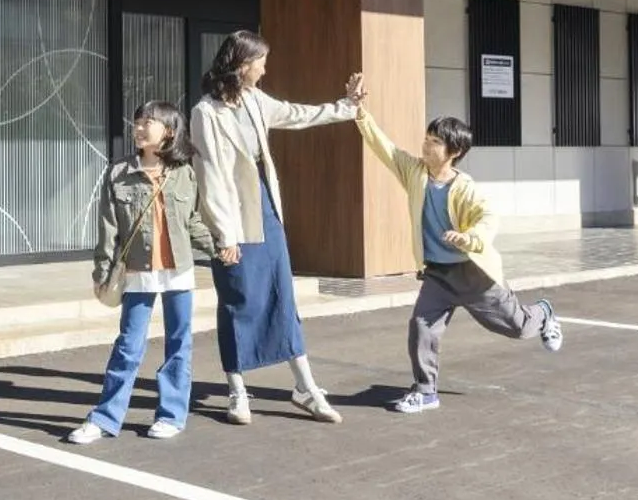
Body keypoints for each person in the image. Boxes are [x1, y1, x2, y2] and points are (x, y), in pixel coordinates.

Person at [190, 31, 364, 426]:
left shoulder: (255, 100)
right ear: (242, 64)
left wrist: (347, 106)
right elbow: (211, 176)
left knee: (281, 295)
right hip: (231, 219)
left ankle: (306, 387)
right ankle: (237, 391)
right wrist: (223, 235)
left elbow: (297, 114)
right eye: (261, 61)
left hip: (265, 209)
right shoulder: (206, 113)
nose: (266, 68)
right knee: (238, 300)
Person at [356, 109, 562, 414]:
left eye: (435, 142)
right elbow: (384, 147)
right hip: (438, 275)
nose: (426, 146)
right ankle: (425, 392)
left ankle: (543, 313)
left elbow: (487, 217)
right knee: (421, 327)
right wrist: (360, 113)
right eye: (426, 139)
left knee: (517, 327)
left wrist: (471, 238)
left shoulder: (465, 188)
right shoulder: (414, 172)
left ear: (455, 152)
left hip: (473, 274)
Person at [68, 101, 216, 445]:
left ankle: (171, 415)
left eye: (147, 122)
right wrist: (102, 272)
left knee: (179, 345)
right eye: (137, 121)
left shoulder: (183, 172)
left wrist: (217, 247)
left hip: (178, 270)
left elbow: (191, 220)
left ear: (169, 130)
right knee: (128, 346)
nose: (138, 127)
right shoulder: (119, 172)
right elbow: (107, 229)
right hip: (137, 270)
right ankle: (105, 418)